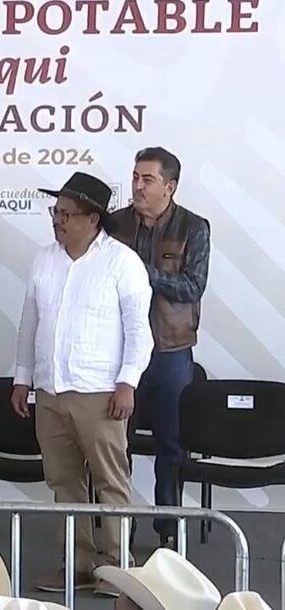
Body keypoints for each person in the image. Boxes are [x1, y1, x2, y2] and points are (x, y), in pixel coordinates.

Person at [10, 172, 152, 597]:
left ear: (93, 219)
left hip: (101, 393)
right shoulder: (44, 259)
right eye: (56, 212)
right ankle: (78, 563)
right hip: (50, 391)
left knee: (110, 481)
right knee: (64, 482)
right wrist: (22, 379)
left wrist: (127, 383)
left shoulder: (122, 262)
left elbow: (139, 332)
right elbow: (29, 323)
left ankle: (118, 567)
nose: (57, 220)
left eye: (66, 214)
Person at [107, 147, 210, 548]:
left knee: (171, 445)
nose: (137, 185)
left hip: (170, 352)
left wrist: (139, 273)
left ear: (170, 186)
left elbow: (192, 287)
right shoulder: (114, 224)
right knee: (118, 444)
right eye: (134, 177)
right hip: (118, 352)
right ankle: (120, 531)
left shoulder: (193, 227)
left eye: (147, 179)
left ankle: (168, 530)